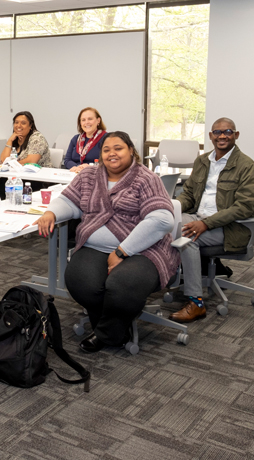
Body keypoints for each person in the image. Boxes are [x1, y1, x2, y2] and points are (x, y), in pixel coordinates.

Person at [35, 132, 178, 353]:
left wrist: (122, 251)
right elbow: (69, 201)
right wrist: (51, 213)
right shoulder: (89, 176)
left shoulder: (146, 178)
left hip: (142, 249)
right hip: (95, 247)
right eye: (106, 149)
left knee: (122, 284)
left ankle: (107, 334)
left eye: (118, 148)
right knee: (79, 281)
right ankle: (117, 323)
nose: (112, 153)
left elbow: (162, 219)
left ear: (131, 150)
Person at [169, 117, 254, 323]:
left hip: (230, 228)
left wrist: (206, 223)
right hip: (196, 217)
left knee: (187, 238)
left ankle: (196, 302)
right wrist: (173, 208)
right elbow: (190, 194)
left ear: (236, 135)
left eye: (228, 132)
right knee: (164, 225)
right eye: (217, 132)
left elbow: (245, 207)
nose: (222, 136)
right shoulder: (202, 161)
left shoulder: (247, 166)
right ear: (211, 136)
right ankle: (163, 279)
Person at [0, 111, 51, 199]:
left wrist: (12, 164)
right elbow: (4, 160)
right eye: (16, 122)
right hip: (19, 176)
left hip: (38, 177)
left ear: (30, 126)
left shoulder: (37, 138)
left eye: (23, 123)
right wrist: (10, 141)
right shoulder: (15, 138)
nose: (19, 126)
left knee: (3, 187)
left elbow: (31, 161)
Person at [64, 107, 107, 172]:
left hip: (96, 174)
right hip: (76, 173)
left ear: (98, 120)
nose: (86, 122)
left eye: (90, 119)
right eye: (83, 120)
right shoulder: (76, 139)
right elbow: (67, 160)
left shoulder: (107, 138)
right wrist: (77, 167)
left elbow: (110, 162)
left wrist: (91, 167)